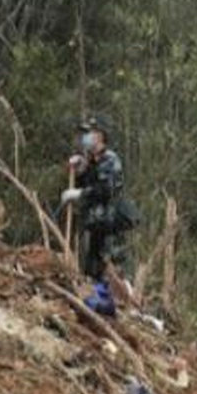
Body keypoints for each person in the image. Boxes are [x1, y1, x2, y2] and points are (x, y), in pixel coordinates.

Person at [59, 116, 135, 289]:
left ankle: (125, 307)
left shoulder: (110, 160)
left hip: (109, 229)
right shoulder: (93, 161)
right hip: (95, 227)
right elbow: (88, 182)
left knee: (113, 273)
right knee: (92, 272)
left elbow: (105, 190)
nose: (86, 137)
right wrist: (80, 170)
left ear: (100, 136)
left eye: (90, 132)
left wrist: (78, 194)